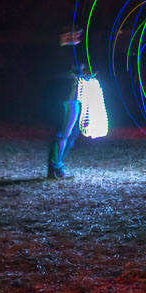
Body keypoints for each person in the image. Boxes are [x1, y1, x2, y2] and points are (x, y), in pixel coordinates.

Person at [48, 28, 85, 180]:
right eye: (76, 33)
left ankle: (58, 165)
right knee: (63, 134)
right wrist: (75, 74)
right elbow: (54, 73)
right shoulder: (58, 53)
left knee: (72, 133)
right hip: (65, 98)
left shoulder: (70, 52)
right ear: (66, 35)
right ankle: (55, 168)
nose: (79, 36)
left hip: (73, 97)